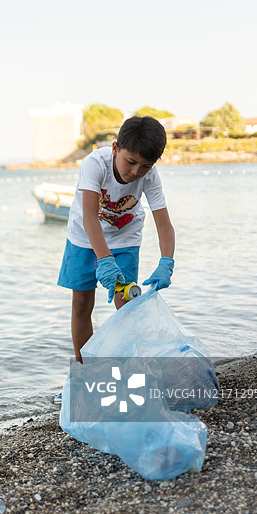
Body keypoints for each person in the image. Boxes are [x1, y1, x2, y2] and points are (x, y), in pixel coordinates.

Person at [57, 115, 176, 364]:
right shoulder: (94, 164)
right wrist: (104, 260)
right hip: (83, 238)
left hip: (125, 240)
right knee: (81, 304)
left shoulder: (150, 176)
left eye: (145, 166)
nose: (136, 172)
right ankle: (83, 373)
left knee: (128, 307)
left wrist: (167, 261)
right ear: (115, 148)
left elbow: (163, 222)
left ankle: (128, 370)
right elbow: (89, 216)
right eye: (130, 162)